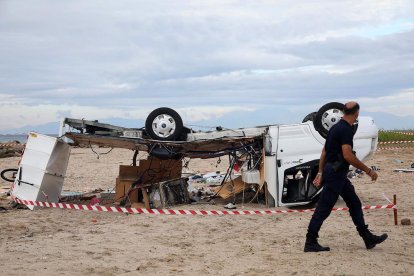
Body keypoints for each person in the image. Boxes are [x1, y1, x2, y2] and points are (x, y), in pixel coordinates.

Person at [304, 101, 388, 252]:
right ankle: (310, 241)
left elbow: (324, 151)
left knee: (354, 203)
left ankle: (367, 237)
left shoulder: (335, 127)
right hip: (336, 174)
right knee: (324, 207)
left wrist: (321, 172)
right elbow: (348, 155)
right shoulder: (346, 130)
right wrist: (369, 171)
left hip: (335, 173)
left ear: (343, 112)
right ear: (357, 114)